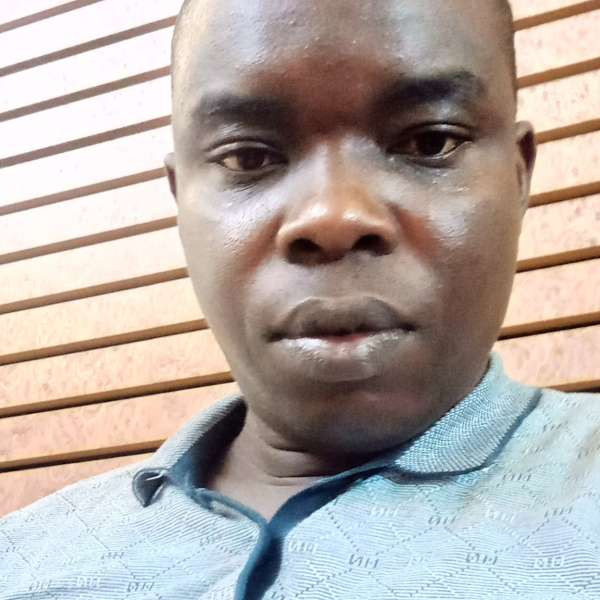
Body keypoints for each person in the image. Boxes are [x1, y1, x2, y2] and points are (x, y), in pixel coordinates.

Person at [1, 0, 599, 598]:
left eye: (429, 141)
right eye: (248, 157)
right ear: (181, 200)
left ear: (519, 175)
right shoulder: (21, 557)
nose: (334, 216)